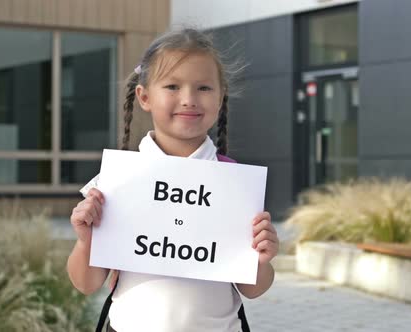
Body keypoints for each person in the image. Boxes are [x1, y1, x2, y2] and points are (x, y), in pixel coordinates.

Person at [67, 28, 280, 332]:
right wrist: (86, 242)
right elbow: (86, 284)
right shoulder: (118, 183)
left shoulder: (234, 184)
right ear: (144, 97)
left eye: (204, 88)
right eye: (172, 86)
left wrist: (261, 260)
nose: (189, 99)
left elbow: (253, 289)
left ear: (220, 98)